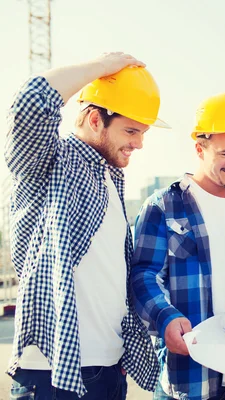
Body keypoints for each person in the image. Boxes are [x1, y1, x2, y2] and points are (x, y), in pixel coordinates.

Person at [5, 52, 169, 398]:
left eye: (143, 132)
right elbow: (32, 100)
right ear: (95, 119)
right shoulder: (50, 163)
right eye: (131, 130)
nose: (140, 143)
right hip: (53, 374)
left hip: (108, 371)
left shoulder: (110, 179)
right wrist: (102, 68)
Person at [131, 92, 225, 400]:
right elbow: (143, 275)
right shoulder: (163, 208)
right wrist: (165, 317)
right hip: (185, 378)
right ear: (199, 148)